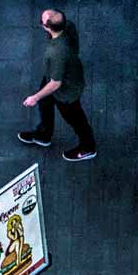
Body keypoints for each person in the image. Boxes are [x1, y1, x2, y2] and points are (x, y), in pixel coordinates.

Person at [18, 9, 95, 162]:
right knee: (45, 104)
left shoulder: (56, 52)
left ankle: (88, 147)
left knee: (77, 120)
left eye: (42, 22)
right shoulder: (68, 27)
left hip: (66, 92)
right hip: (59, 75)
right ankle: (43, 135)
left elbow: (55, 83)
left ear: (48, 27)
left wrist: (35, 97)